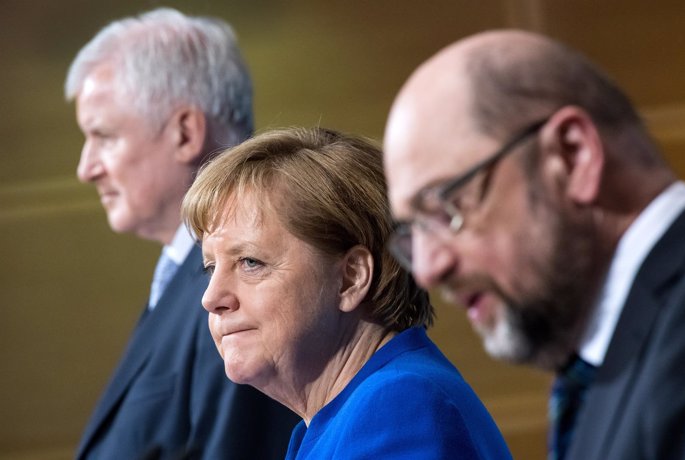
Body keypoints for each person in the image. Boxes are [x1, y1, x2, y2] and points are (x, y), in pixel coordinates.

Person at [383, 28, 685, 460]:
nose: (428, 270)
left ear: (571, 155)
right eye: (413, 231)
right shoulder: (608, 358)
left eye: (445, 208)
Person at [180, 127, 513, 459]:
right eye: (211, 267)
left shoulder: (399, 406)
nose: (211, 298)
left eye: (250, 262)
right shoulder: (333, 421)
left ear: (351, 278)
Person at [65, 8, 299, 459]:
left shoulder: (241, 291)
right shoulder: (182, 275)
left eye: (104, 137)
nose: (85, 169)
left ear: (185, 133)